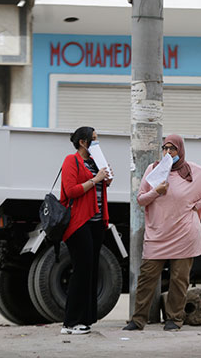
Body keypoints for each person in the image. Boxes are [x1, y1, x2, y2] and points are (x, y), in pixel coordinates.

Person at [123, 134, 201, 331]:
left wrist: (198, 204)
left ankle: (174, 319)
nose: (168, 152)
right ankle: (137, 320)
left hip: (184, 233)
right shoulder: (154, 170)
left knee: (179, 279)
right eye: (165, 148)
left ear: (181, 150)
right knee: (147, 277)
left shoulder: (191, 171)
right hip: (157, 234)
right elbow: (141, 199)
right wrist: (156, 191)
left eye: (173, 149)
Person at [60, 126, 112, 335]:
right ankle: (70, 322)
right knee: (81, 272)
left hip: (96, 223)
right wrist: (95, 179)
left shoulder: (94, 162)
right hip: (79, 223)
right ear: (83, 142)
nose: (97, 143)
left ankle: (86, 320)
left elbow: (103, 185)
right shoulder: (71, 161)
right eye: (94, 139)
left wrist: (105, 177)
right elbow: (70, 190)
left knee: (90, 271)